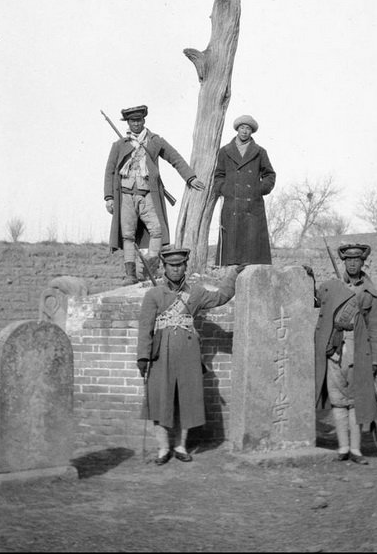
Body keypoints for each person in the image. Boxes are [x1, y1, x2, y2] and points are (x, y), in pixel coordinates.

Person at [137, 248, 245, 465]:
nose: (176, 269)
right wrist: (143, 357)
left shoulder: (195, 293)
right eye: (171, 266)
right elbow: (145, 328)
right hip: (160, 355)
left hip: (188, 353)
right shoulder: (154, 295)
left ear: (186, 266)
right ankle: (163, 448)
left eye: (180, 265)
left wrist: (234, 274)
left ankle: (180, 446)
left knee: (185, 401)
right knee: (160, 401)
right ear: (164, 268)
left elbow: (221, 297)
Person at [104, 105, 205, 285]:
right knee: (127, 235)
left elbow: (175, 158)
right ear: (128, 123)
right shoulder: (119, 145)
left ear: (144, 121)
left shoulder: (154, 141)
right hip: (126, 196)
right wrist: (109, 197)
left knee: (157, 231)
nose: (136, 124)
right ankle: (130, 275)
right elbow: (110, 172)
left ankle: (149, 271)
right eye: (132, 121)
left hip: (148, 195)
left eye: (139, 120)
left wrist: (190, 177)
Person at [314, 243, 377, 463]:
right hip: (333, 350)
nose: (352, 263)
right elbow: (315, 300)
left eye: (357, 260)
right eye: (348, 260)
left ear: (363, 262)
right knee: (337, 399)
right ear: (343, 262)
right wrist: (309, 278)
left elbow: (375, 327)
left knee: (356, 401)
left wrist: (376, 359)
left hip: (358, 350)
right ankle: (343, 448)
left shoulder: (369, 292)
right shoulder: (332, 286)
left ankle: (356, 450)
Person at [212, 115, 276, 266]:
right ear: (237, 129)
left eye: (248, 129)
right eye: (242, 128)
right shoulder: (225, 151)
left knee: (253, 253)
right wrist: (224, 189)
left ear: (251, 132)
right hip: (231, 203)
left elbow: (270, 175)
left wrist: (259, 189)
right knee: (231, 252)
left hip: (252, 205)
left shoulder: (260, 152)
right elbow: (218, 175)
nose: (245, 131)